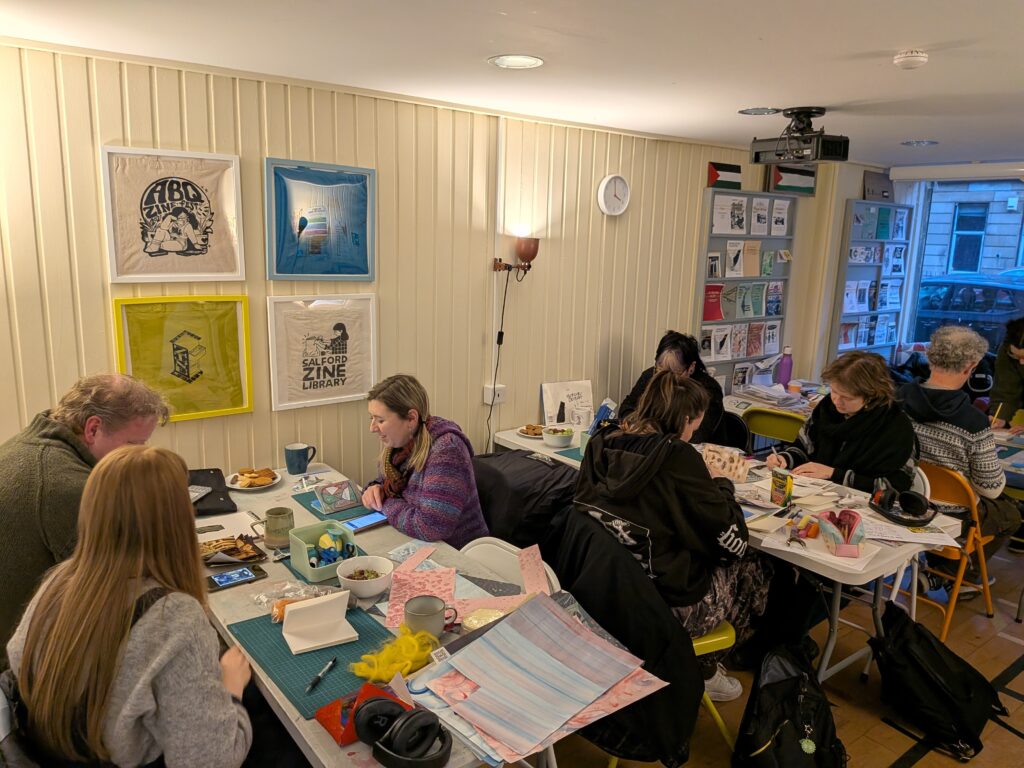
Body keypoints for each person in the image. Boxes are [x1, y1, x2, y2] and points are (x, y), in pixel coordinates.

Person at [5, 445, 252, 767]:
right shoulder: (174, 616)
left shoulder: (57, 581)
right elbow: (209, 760)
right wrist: (230, 689)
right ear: (176, 521)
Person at [574, 369, 772, 702]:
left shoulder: (602, 439)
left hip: (604, 593)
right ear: (683, 419)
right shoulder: (678, 458)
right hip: (664, 605)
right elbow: (731, 541)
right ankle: (703, 669)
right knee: (754, 563)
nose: (694, 434)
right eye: (694, 426)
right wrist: (721, 484)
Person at [0, 373, 168, 668]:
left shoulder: (29, 445)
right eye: (135, 442)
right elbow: (120, 593)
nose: (141, 453)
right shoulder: (66, 487)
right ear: (93, 429)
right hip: (25, 669)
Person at [361, 374, 488, 548]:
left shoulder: (447, 450)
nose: (372, 428)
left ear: (411, 419)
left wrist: (384, 503)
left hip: (457, 553)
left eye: (381, 420)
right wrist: (374, 489)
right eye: (372, 418)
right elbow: (384, 483)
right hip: (418, 544)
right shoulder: (400, 445)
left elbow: (431, 526)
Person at [767, 351, 918, 492]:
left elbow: (896, 487)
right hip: (815, 495)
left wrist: (834, 474)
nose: (836, 401)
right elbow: (803, 448)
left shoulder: (895, 428)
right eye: (833, 391)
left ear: (871, 396)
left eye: (847, 397)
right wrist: (785, 458)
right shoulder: (826, 409)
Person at [619, 330, 724, 443]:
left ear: (691, 368)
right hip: (655, 444)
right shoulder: (651, 376)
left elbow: (697, 436)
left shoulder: (707, 390)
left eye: (674, 374)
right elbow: (627, 408)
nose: (664, 380)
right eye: (659, 371)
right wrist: (638, 426)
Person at [988, 315, 1024, 431]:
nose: (1022, 363)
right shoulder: (1007, 350)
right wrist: (999, 416)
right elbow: (1005, 390)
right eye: (1016, 357)